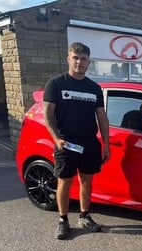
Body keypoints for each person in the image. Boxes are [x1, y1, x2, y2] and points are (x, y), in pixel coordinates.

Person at [43, 42, 110, 240]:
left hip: (89, 142)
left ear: (89, 61)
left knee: (86, 182)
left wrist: (106, 143)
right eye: (76, 58)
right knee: (64, 182)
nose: (79, 62)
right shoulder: (56, 84)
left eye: (83, 58)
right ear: (69, 59)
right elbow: (48, 116)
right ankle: (63, 220)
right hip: (66, 142)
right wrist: (57, 139)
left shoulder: (94, 88)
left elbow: (102, 117)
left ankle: (84, 216)